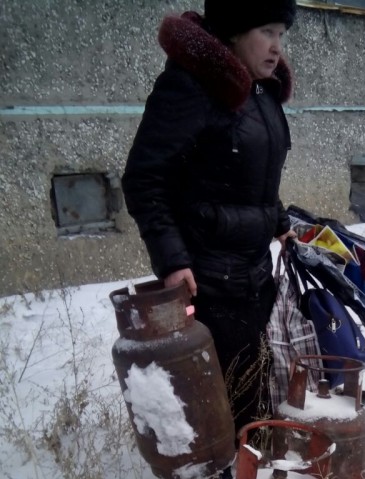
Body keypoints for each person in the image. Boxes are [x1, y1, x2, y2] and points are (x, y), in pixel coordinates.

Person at [122, 0, 298, 440]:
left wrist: (280, 222)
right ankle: (220, 473)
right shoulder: (191, 86)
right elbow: (144, 179)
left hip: (253, 273)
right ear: (235, 32)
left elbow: (254, 179)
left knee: (254, 387)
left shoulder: (260, 91)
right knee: (218, 401)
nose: (277, 47)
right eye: (266, 32)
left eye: (281, 34)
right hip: (208, 278)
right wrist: (172, 261)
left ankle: (251, 465)